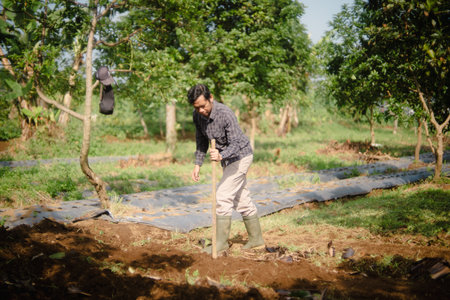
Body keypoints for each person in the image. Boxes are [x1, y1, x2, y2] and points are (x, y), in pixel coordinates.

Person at [187, 84, 265, 253]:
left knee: (222, 196)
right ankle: (257, 240)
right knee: (241, 200)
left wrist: (221, 155)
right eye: (196, 107)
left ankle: (220, 245)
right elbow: (201, 140)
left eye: (203, 106)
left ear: (211, 98)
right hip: (228, 160)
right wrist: (197, 164)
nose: (200, 110)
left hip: (241, 156)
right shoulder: (197, 116)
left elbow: (236, 142)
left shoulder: (225, 113)